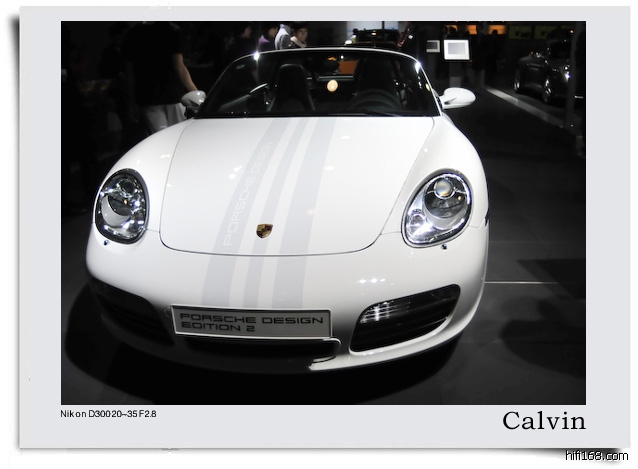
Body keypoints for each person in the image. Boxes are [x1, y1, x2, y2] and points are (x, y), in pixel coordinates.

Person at [122, 21, 198, 136]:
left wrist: (131, 101)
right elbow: (179, 66)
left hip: (147, 95)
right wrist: (195, 93)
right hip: (173, 94)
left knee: (159, 137)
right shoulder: (172, 30)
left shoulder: (133, 33)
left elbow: (129, 71)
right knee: (178, 135)